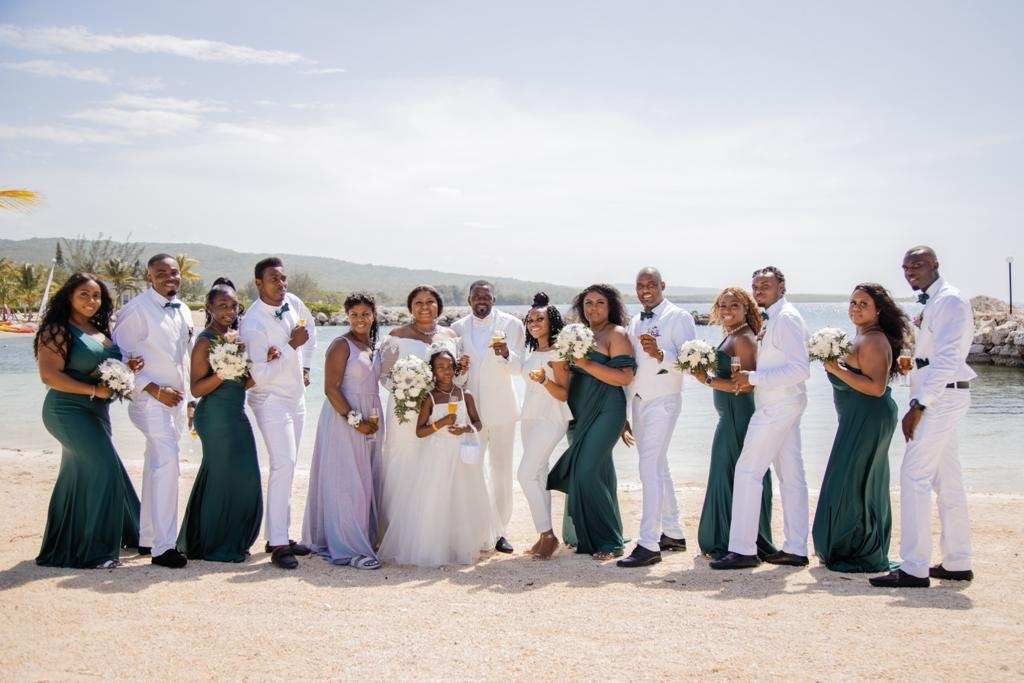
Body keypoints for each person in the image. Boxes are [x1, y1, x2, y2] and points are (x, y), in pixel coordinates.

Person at [871, 247, 976, 588]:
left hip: (941, 398)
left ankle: (914, 567)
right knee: (948, 481)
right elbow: (936, 356)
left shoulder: (950, 300)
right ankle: (958, 561)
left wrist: (919, 405)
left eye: (917, 264)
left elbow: (948, 359)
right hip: (945, 393)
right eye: (905, 267)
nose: (910, 271)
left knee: (914, 476)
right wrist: (915, 363)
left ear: (935, 265)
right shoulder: (936, 301)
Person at [34, 273, 142, 568]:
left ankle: (68, 543)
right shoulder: (57, 330)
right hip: (66, 411)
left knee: (81, 473)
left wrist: (127, 370)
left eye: (96, 296)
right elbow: (49, 376)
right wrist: (94, 390)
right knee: (104, 469)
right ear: (69, 296)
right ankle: (94, 553)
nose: (91, 301)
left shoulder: (99, 330)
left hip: (97, 412)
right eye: (84, 294)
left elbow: (103, 370)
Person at [711, 266, 810, 570]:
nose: (759, 291)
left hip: (777, 405)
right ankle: (795, 548)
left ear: (782, 286)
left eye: (766, 285)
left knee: (747, 471)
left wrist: (752, 378)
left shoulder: (787, 318)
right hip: (782, 402)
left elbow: (800, 369)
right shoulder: (774, 317)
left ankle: (743, 550)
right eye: (755, 286)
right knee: (791, 476)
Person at [814, 283, 907, 573]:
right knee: (853, 480)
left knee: (857, 481)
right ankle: (852, 544)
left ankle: (860, 549)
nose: (855, 308)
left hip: (869, 417)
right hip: (855, 417)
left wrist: (835, 369)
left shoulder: (874, 340)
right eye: (853, 302)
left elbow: (876, 388)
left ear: (878, 310)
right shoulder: (861, 336)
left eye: (863, 304)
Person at [113, 254, 194, 569]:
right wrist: (154, 389)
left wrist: (190, 400)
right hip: (149, 401)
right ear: (150, 277)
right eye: (161, 273)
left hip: (176, 402)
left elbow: (183, 358)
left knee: (155, 465)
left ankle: (147, 538)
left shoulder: (183, 309)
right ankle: (164, 548)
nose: (169, 277)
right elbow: (118, 359)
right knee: (168, 464)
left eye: (174, 272)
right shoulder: (136, 310)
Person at [377, 349, 493, 567]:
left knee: (461, 499)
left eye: (449, 366)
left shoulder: (465, 395)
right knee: (436, 499)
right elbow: (419, 431)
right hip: (436, 455)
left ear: (455, 369)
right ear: (432, 371)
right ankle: (436, 546)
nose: (445, 371)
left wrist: (465, 428)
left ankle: (459, 545)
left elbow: (478, 423)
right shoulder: (430, 397)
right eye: (440, 367)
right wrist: (440, 423)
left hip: (460, 455)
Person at [238, 257, 317, 570]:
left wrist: (306, 365)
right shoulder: (252, 323)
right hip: (269, 399)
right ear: (259, 283)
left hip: (296, 397)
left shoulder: (293, 303)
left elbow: (310, 331)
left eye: (283, 278)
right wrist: (290, 346)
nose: (281, 284)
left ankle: (278, 535)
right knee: (282, 463)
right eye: (274, 279)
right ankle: (279, 544)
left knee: (290, 464)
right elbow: (258, 375)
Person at [547, 284, 636, 560]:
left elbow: (625, 377)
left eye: (599, 303)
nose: (593, 308)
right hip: (579, 410)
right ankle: (595, 534)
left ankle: (610, 543)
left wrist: (586, 363)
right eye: (588, 303)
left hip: (607, 409)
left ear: (610, 307)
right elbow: (566, 377)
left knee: (585, 470)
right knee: (600, 471)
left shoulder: (616, 334)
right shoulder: (576, 334)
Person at [176, 279, 263, 563]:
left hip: (236, 413)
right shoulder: (205, 341)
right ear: (209, 308)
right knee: (222, 479)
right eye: (222, 305)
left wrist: (266, 365)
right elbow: (196, 389)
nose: (229, 310)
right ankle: (214, 543)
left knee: (245, 477)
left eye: (234, 305)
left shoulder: (234, 338)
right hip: (214, 417)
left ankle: (231, 537)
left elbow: (241, 383)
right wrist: (221, 373)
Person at [689, 287, 777, 561]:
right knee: (725, 473)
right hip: (729, 416)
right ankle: (728, 537)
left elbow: (746, 386)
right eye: (723, 305)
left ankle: (736, 540)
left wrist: (706, 379)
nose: (727, 310)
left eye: (734, 305)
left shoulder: (744, 339)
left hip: (739, 418)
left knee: (731, 474)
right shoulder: (733, 335)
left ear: (746, 309)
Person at [617, 268, 694, 568]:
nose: (646, 289)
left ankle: (648, 544)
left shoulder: (679, 317)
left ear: (663, 285)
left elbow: (689, 362)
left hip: (664, 400)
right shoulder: (636, 320)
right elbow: (632, 367)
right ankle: (672, 532)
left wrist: (662, 354)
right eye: (640, 285)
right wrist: (624, 410)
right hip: (639, 401)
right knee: (658, 464)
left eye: (651, 284)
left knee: (648, 466)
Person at [301, 292, 383, 570]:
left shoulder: (373, 346)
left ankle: (364, 537)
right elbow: (330, 389)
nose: (360, 319)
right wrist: (355, 420)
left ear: (374, 316)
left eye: (365, 314)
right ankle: (349, 549)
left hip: (372, 417)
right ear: (347, 316)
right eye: (354, 315)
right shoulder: (340, 345)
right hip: (344, 417)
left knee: (367, 480)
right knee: (347, 482)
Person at [376, 285, 465, 538]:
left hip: (439, 411)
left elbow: (457, 377)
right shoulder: (397, 335)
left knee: (436, 466)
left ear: (439, 306)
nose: (424, 307)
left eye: (430, 302)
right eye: (418, 302)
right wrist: (410, 392)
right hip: (406, 409)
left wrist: (462, 371)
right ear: (410, 308)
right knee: (404, 461)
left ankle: (433, 531)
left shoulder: (451, 335)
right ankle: (398, 531)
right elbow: (384, 375)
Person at [450, 280, 526, 554]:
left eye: (487, 297)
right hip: (470, 412)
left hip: (503, 410)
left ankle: (500, 531)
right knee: (470, 468)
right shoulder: (457, 328)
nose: (481, 301)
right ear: (469, 300)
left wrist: (506, 354)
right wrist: (460, 371)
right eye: (476, 297)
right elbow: (455, 377)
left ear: (494, 299)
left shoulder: (512, 325)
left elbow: (520, 368)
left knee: (502, 471)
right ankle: (477, 527)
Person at [518, 293, 572, 560]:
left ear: (552, 322)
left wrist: (543, 381)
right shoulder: (534, 351)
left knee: (525, 474)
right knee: (537, 475)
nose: (533, 323)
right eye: (530, 320)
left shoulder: (558, 352)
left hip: (551, 418)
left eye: (539, 319)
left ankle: (548, 535)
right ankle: (544, 537)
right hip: (530, 417)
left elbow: (563, 394)